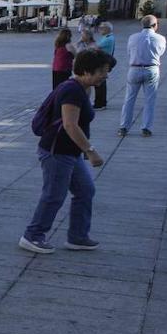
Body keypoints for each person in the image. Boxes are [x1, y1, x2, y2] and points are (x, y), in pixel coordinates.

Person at [18, 48, 113, 254]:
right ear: (86, 71)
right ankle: (32, 236)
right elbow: (70, 125)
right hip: (57, 151)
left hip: (70, 152)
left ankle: (78, 237)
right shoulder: (72, 90)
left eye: (107, 72)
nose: (105, 76)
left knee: (85, 190)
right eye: (102, 72)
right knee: (54, 195)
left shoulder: (83, 88)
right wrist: (90, 151)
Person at [118, 15, 167, 137]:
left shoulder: (133, 37)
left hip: (134, 68)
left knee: (129, 98)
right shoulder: (161, 38)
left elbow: (129, 52)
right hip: (151, 68)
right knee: (150, 100)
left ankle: (124, 127)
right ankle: (146, 128)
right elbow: (161, 52)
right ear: (155, 25)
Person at [94, 23, 116, 109]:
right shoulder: (107, 37)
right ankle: (100, 102)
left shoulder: (108, 38)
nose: (99, 30)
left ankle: (100, 103)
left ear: (107, 29)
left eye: (101, 28)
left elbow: (95, 47)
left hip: (103, 63)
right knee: (100, 82)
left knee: (99, 83)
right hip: (102, 62)